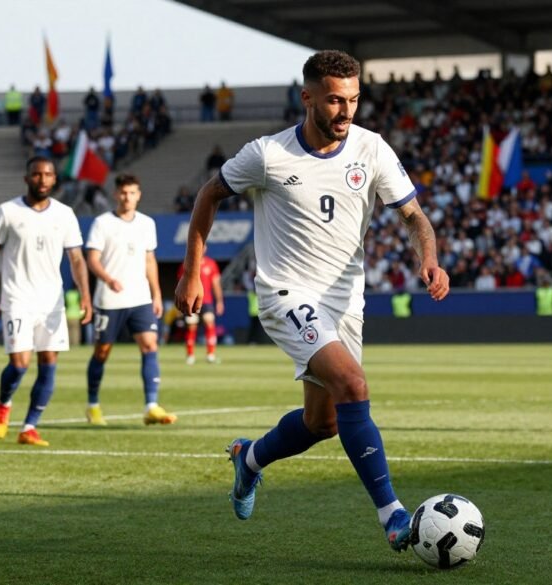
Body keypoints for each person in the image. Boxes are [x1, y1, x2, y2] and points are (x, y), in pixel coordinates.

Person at [175, 50, 450, 552]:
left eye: (353, 100)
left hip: (346, 304)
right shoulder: (266, 155)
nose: (346, 111)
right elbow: (208, 196)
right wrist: (192, 271)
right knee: (353, 382)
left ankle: (250, 458)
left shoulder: (372, 149)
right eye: (334, 101)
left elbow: (414, 217)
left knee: (322, 422)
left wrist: (428, 257)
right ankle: (393, 514)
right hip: (285, 294)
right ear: (307, 98)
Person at [0, 156, 92, 447]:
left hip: (51, 300)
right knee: (20, 363)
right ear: (27, 178)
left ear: (54, 179)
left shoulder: (65, 214)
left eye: (48, 175)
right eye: (37, 174)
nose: (42, 179)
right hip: (16, 297)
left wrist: (85, 294)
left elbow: (77, 258)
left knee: (49, 362)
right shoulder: (7, 211)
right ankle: (4, 403)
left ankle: (29, 426)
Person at [84, 174, 175, 427]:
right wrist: (108, 278)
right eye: (123, 193)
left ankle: (151, 406)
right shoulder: (102, 223)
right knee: (102, 352)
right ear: (116, 194)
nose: (127, 197)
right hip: (109, 299)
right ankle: (92, 405)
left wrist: (156, 293)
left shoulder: (146, 224)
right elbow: (92, 258)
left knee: (149, 345)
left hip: (140, 297)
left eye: (132, 192)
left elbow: (149, 261)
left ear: (139, 195)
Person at [177, 253, 223, 365]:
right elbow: (181, 283)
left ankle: (210, 354)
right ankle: (190, 355)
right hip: (191, 300)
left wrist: (219, 301)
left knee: (209, 322)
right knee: (191, 325)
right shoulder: (186, 263)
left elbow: (216, 284)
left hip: (207, 301)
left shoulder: (211, 264)